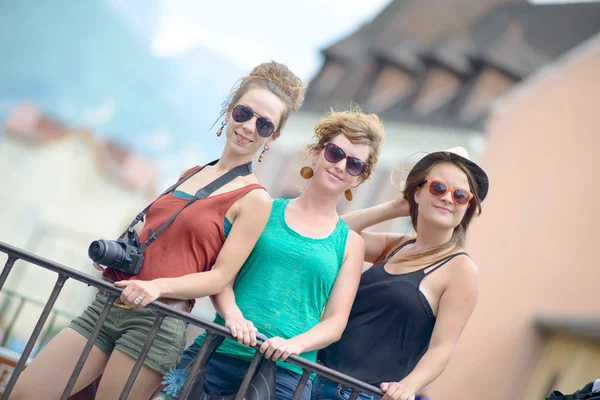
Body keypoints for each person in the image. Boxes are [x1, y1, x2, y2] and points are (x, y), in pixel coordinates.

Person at [11, 61, 306, 400]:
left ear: (274, 136)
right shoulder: (191, 172)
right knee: (25, 393)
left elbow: (220, 277)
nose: (249, 126)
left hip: (158, 322)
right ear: (228, 112)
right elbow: (158, 238)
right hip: (110, 302)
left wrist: (156, 287)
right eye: (244, 113)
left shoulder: (255, 199)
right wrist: (120, 257)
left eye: (264, 123)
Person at [155, 107, 387, 400]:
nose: (341, 166)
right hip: (220, 351)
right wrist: (233, 316)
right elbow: (221, 276)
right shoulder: (263, 208)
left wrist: (295, 345)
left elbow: (335, 323)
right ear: (316, 154)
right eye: (335, 153)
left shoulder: (351, 243)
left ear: (359, 178)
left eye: (354, 165)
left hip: (286, 375)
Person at [313, 147, 489, 400]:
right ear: (417, 192)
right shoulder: (395, 245)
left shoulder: (460, 270)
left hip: (365, 395)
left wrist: (408, 386)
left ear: (467, 207)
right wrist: (393, 207)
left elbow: (442, 348)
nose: (448, 199)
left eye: (460, 195)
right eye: (438, 188)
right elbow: (332, 233)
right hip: (312, 377)